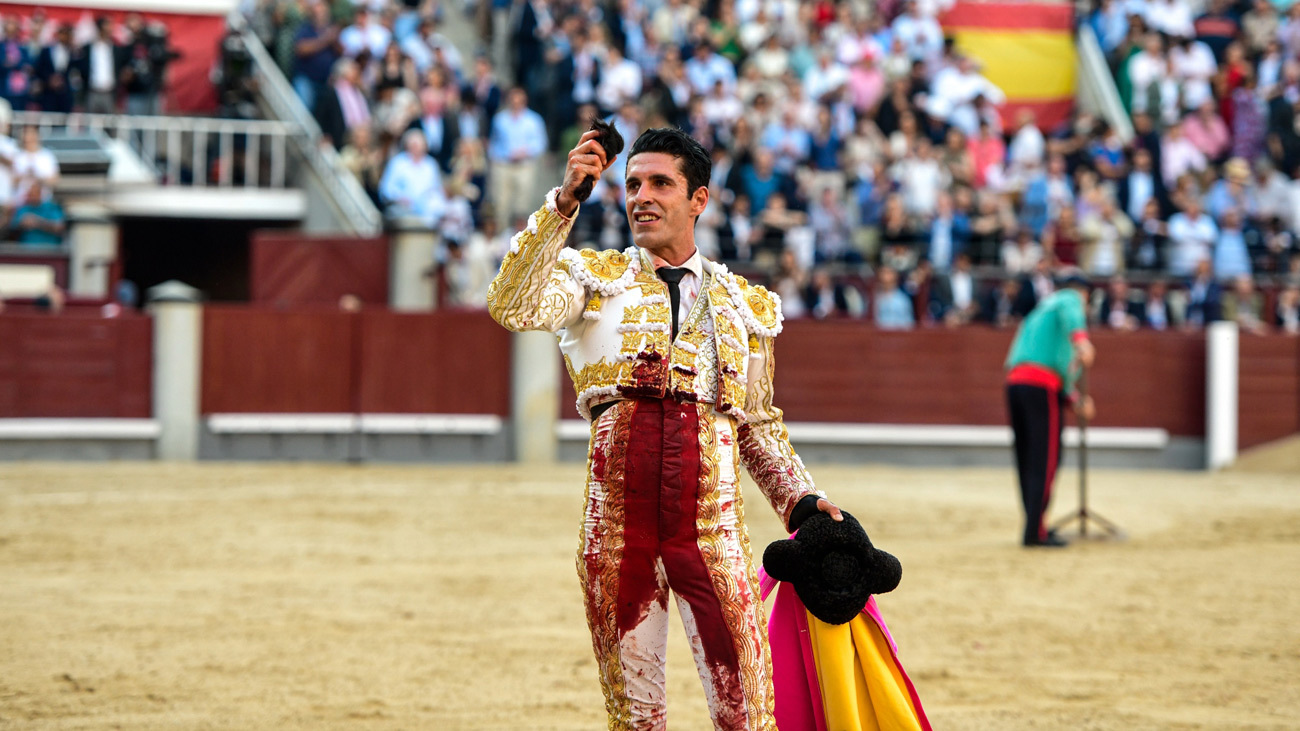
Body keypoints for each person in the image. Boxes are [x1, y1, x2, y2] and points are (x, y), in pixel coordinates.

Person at [487, 126, 842, 728]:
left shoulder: (742, 305)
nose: (641, 197)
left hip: (714, 539)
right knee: (636, 722)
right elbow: (511, 304)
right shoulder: (592, 281)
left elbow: (756, 425)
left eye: (660, 183)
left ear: (698, 199)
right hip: (617, 540)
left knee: (749, 716)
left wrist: (804, 503)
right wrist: (564, 202)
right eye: (631, 185)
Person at [1004, 270, 1096, 548]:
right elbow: (1061, 366)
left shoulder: (1039, 312)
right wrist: (1082, 340)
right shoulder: (1069, 299)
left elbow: (1057, 367)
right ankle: (1035, 531)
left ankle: (1035, 524)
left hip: (1016, 384)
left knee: (1028, 459)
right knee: (1044, 460)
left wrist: (1075, 400)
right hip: (1041, 387)